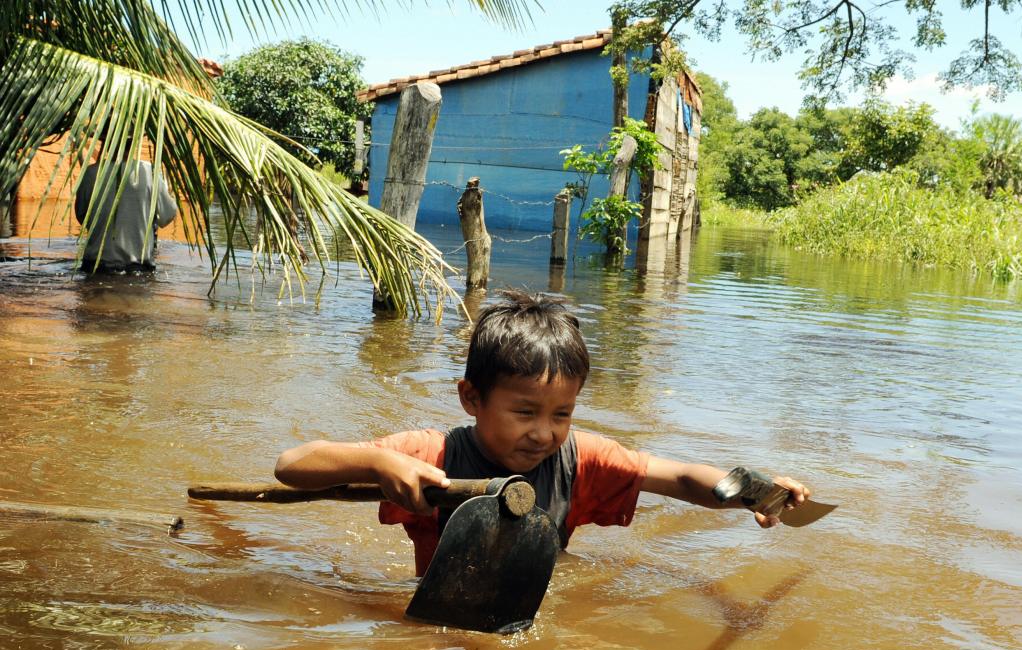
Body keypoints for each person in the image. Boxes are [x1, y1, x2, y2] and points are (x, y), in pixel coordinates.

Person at [275, 290, 810, 575]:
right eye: (525, 412)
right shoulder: (429, 455)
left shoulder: (580, 461)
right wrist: (376, 464)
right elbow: (293, 463)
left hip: (537, 592)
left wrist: (756, 493)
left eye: (562, 414)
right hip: (437, 603)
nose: (544, 433)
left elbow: (682, 477)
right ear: (471, 399)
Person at [74, 155, 178, 273]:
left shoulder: (91, 172)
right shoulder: (150, 173)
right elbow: (167, 215)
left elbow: (82, 216)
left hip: (95, 268)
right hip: (137, 270)